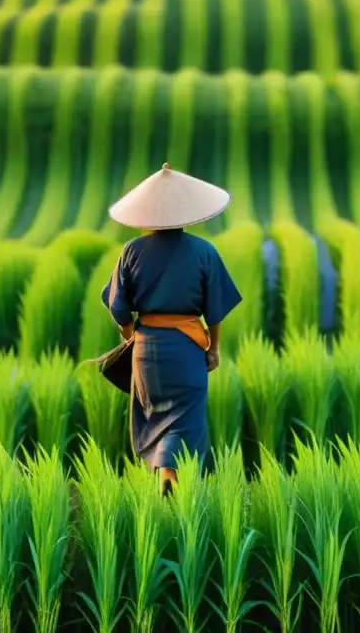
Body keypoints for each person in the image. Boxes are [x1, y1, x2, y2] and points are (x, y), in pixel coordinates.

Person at [101, 163, 242, 497]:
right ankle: (172, 482)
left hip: (146, 349)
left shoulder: (131, 251)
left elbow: (118, 307)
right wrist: (214, 348)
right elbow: (215, 308)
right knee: (185, 421)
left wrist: (131, 339)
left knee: (156, 418)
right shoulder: (205, 252)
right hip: (187, 348)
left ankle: (164, 479)